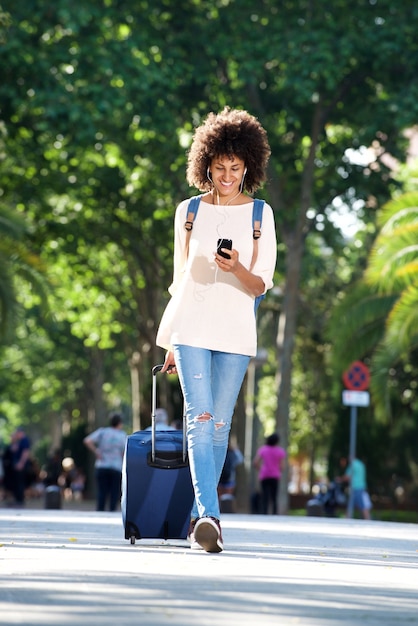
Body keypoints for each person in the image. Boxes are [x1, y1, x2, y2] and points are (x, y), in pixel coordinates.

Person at [156, 107, 277, 552]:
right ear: (205, 164)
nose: (227, 176)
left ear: (249, 166)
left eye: (236, 167)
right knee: (199, 418)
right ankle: (209, 516)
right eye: (220, 167)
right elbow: (178, 282)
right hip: (190, 327)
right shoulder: (187, 212)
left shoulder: (260, 216)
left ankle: (197, 517)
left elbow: (261, 283)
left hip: (235, 330)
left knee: (220, 425)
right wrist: (169, 341)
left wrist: (237, 267)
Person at [84, 413, 127, 512]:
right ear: (120, 423)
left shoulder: (102, 432)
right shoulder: (122, 435)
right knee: (114, 491)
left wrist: (96, 451)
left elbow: (87, 440)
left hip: (102, 465)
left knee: (102, 491)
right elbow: (124, 451)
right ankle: (112, 511)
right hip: (116, 466)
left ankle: (100, 510)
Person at [253, 433, 286, 515]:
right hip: (275, 476)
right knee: (274, 496)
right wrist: (278, 471)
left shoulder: (263, 449)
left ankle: (264, 512)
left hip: (264, 475)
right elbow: (282, 466)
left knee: (265, 495)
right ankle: (274, 513)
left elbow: (256, 462)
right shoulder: (280, 451)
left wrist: (261, 469)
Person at [7, 427, 32, 506]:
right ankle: (18, 499)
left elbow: (25, 453)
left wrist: (21, 463)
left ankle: (20, 499)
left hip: (21, 466)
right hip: (18, 465)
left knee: (20, 482)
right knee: (17, 482)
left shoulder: (24, 440)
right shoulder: (20, 441)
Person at [217, 438, 244, 512]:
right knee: (229, 495)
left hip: (219, 477)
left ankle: (219, 510)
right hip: (230, 478)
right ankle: (229, 509)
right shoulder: (233, 453)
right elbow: (240, 460)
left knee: (219, 495)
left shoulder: (218, 451)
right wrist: (236, 449)